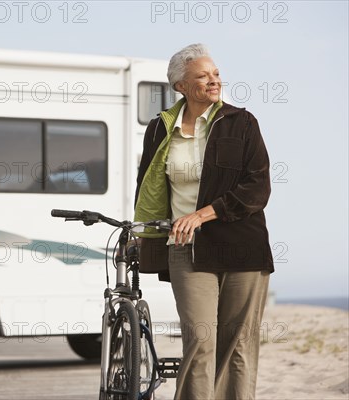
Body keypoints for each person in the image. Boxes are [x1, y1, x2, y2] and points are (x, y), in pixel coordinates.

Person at [134, 44, 273, 399]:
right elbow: (148, 186)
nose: (213, 81)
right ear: (180, 85)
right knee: (200, 342)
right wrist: (143, 231)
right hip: (187, 249)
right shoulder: (159, 129)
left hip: (243, 246)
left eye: (215, 74)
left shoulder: (242, 122)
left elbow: (257, 187)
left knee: (239, 347)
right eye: (202, 75)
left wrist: (202, 214)